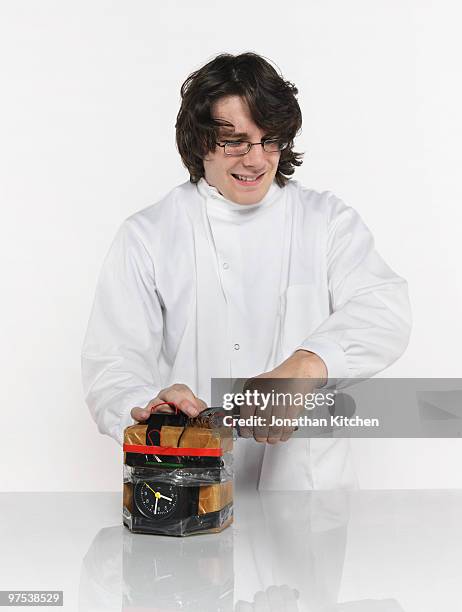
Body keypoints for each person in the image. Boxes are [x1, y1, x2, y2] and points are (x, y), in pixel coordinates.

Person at [81, 52, 411, 489]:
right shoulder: (148, 235)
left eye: (268, 139)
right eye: (234, 141)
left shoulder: (326, 221)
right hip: (190, 481)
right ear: (200, 143)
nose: (256, 160)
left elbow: (385, 310)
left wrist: (306, 367)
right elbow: (112, 363)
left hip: (307, 489)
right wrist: (151, 409)